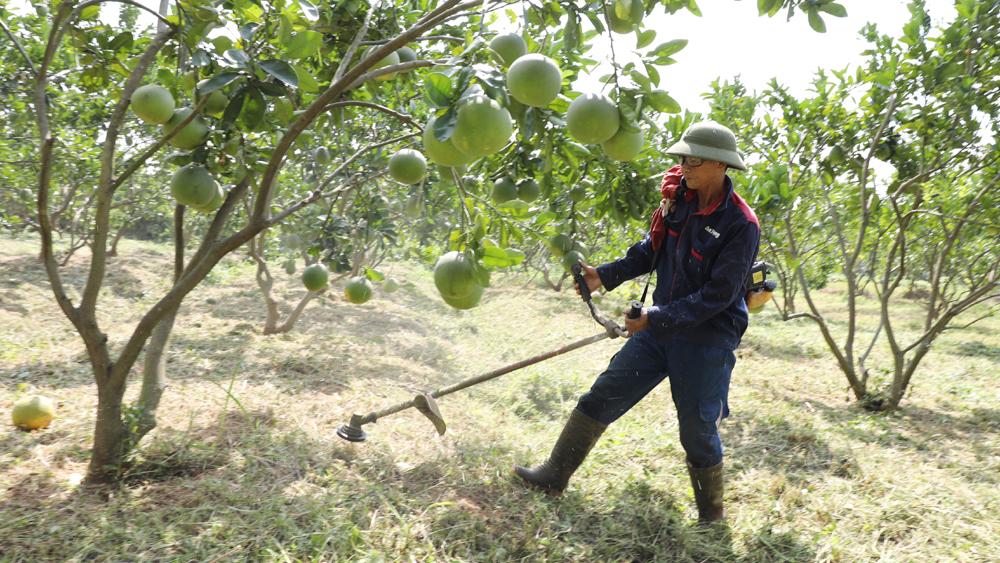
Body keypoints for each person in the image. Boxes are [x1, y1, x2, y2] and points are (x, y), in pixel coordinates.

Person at [514, 121, 763, 524]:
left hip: (706, 337)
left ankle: (711, 518)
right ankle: (553, 476)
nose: (684, 166)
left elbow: (719, 296)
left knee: (697, 432)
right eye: (682, 158)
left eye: (694, 160)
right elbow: (652, 248)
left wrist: (654, 317)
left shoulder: (741, 224)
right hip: (659, 330)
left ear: (721, 165)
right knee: (601, 396)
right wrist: (604, 276)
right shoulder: (678, 200)